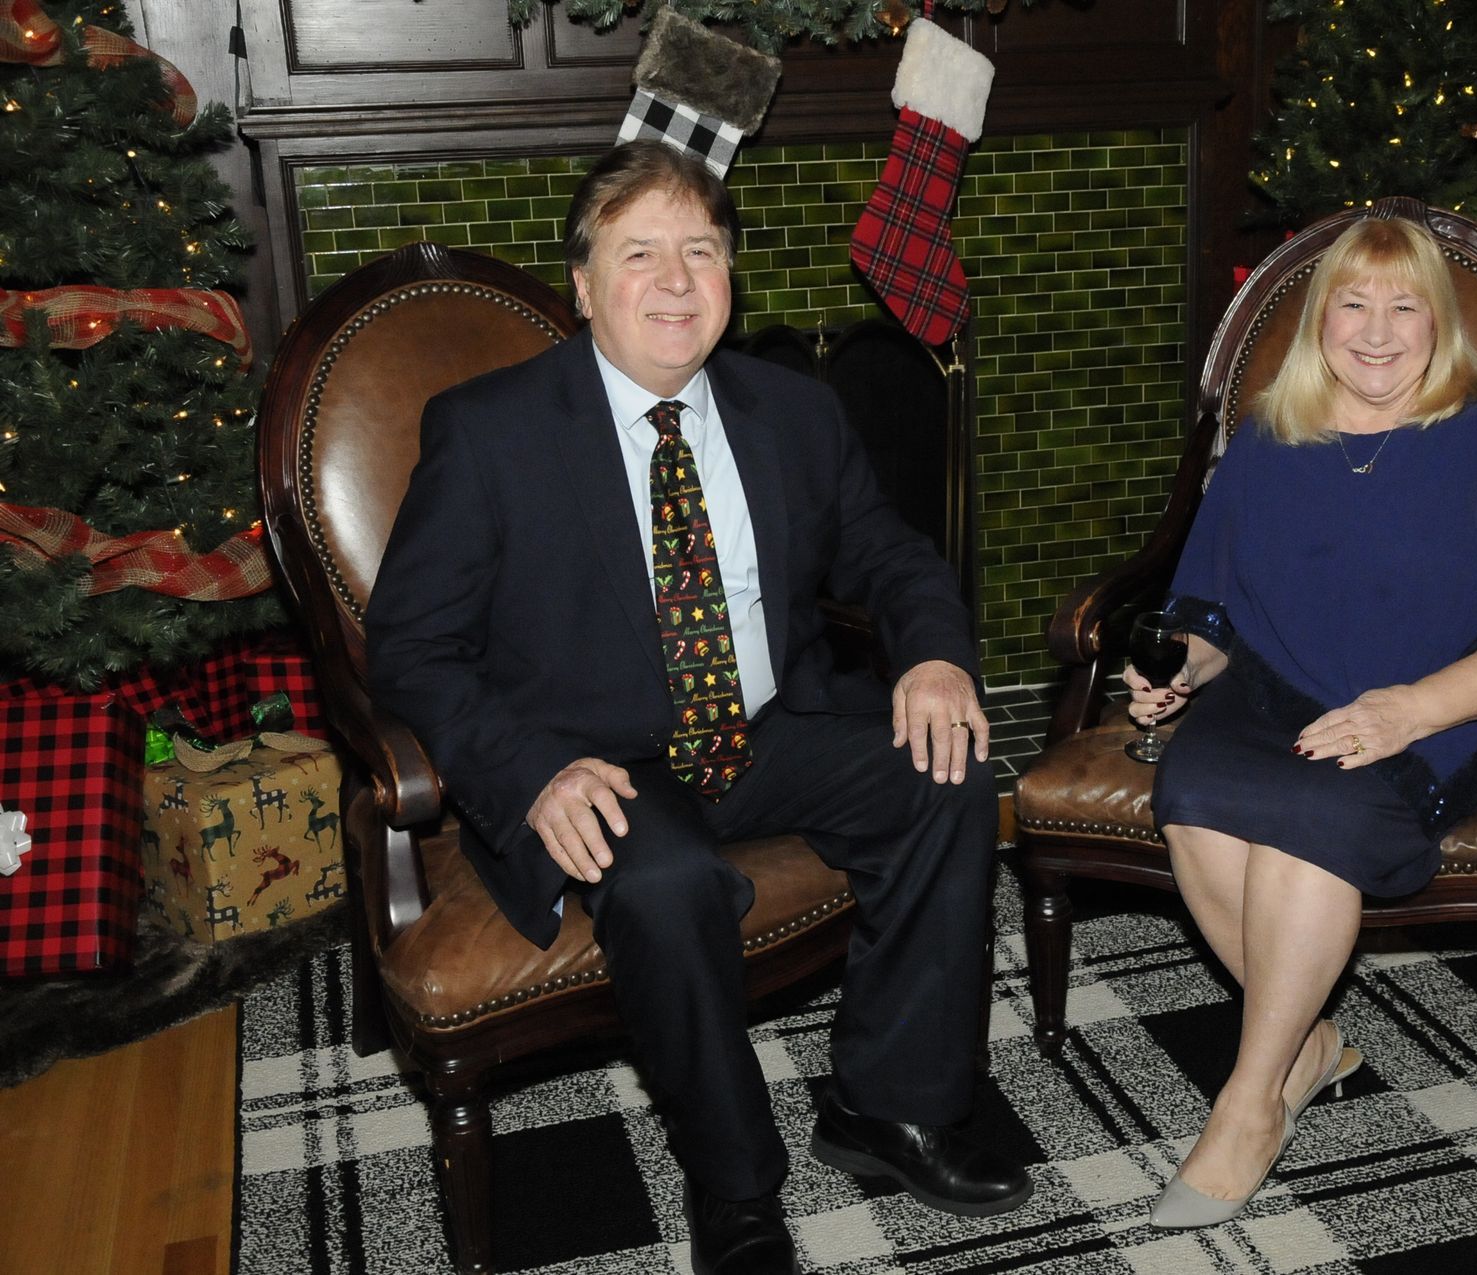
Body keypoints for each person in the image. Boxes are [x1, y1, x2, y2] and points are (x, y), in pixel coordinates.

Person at [365, 140, 1031, 1275]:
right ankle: (735, 1185)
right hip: (598, 762)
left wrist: (934, 657)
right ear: (583, 286)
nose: (677, 281)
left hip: (771, 728)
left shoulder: (794, 411)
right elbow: (410, 646)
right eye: (641, 254)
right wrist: (529, 773)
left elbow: (891, 554)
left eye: (702, 251)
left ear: (732, 275)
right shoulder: (492, 431)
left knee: (953, 772)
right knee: (666, 880)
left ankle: (890, 1105)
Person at [1123, 214, 1477, 1229]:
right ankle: (1314, 1043)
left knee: (1308, 833)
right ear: (1316, 318)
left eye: (1405, 307)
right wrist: (1177, 670)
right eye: (1353, 304)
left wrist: (1410, 709)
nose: (1377, 332)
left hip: (1453, 702)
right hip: (1282, 689)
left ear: (1441, 323)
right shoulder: (1269, 431)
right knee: (1192, 795)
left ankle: (1251, 1103)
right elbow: (1210, 612)